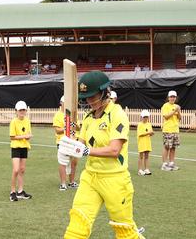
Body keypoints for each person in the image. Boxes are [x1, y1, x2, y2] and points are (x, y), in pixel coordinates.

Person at [58, 70, 144, 238]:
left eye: (93, 96)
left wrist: (85, 151)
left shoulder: (117, 114)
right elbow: (79, 145)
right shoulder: (89, 118)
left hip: (115, 179)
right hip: (90, 177)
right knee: (77, 225)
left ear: (105, 92)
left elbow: (114, 150)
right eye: (87, 98)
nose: (90, 101)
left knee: (124, 231)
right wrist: (67, 149)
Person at [52, 96, 78, 191]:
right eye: (64, 102)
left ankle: (71, 182)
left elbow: (77, 127)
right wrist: (66, 128)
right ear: (61, 103)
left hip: (73, 140)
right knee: (63, 162)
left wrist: (74, 125)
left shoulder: (72, 114)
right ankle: (63, 183)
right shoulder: (58, 115)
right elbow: (57, 130)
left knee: (74, 162)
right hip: (62, 141)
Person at [9, 100, 33, 202]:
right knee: (15, 170)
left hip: (24, 147)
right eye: (20, 110)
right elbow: (12, 137)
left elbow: (28, 133)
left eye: (24, 110)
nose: (22, 112)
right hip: (16, 147)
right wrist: (25, 136)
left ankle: (20, 191)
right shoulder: (13, 122)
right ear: (16, 111)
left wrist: (28, 137)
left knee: (22, 170)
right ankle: (12, 192)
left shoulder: (27, 120)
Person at [160, 90, 181, 171]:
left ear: (176, 98)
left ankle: (171, 163)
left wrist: (178, 111)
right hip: (168, 129)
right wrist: (175, 110)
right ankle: (164, 164)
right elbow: (166, 116)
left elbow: (179, 118)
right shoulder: (165, 106)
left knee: (173, 147)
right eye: (171, 97)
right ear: (168, 98)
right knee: (167, 147)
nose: (172, 98)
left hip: (175, 130)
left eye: (174, 97)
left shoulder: (177, 106)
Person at [136, 109, 153, 176]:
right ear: (142, 117)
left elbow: (150, 132)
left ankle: (146, 169)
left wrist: (151, 133)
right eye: (144, 117)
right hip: (141, 142)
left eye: (147, 117)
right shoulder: (140, 124)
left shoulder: (149, 124)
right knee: (141, 156)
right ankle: (140, 170)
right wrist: (148, 133)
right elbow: (140, 134)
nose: (145, 118)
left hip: (147, 142)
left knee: (147, 156)